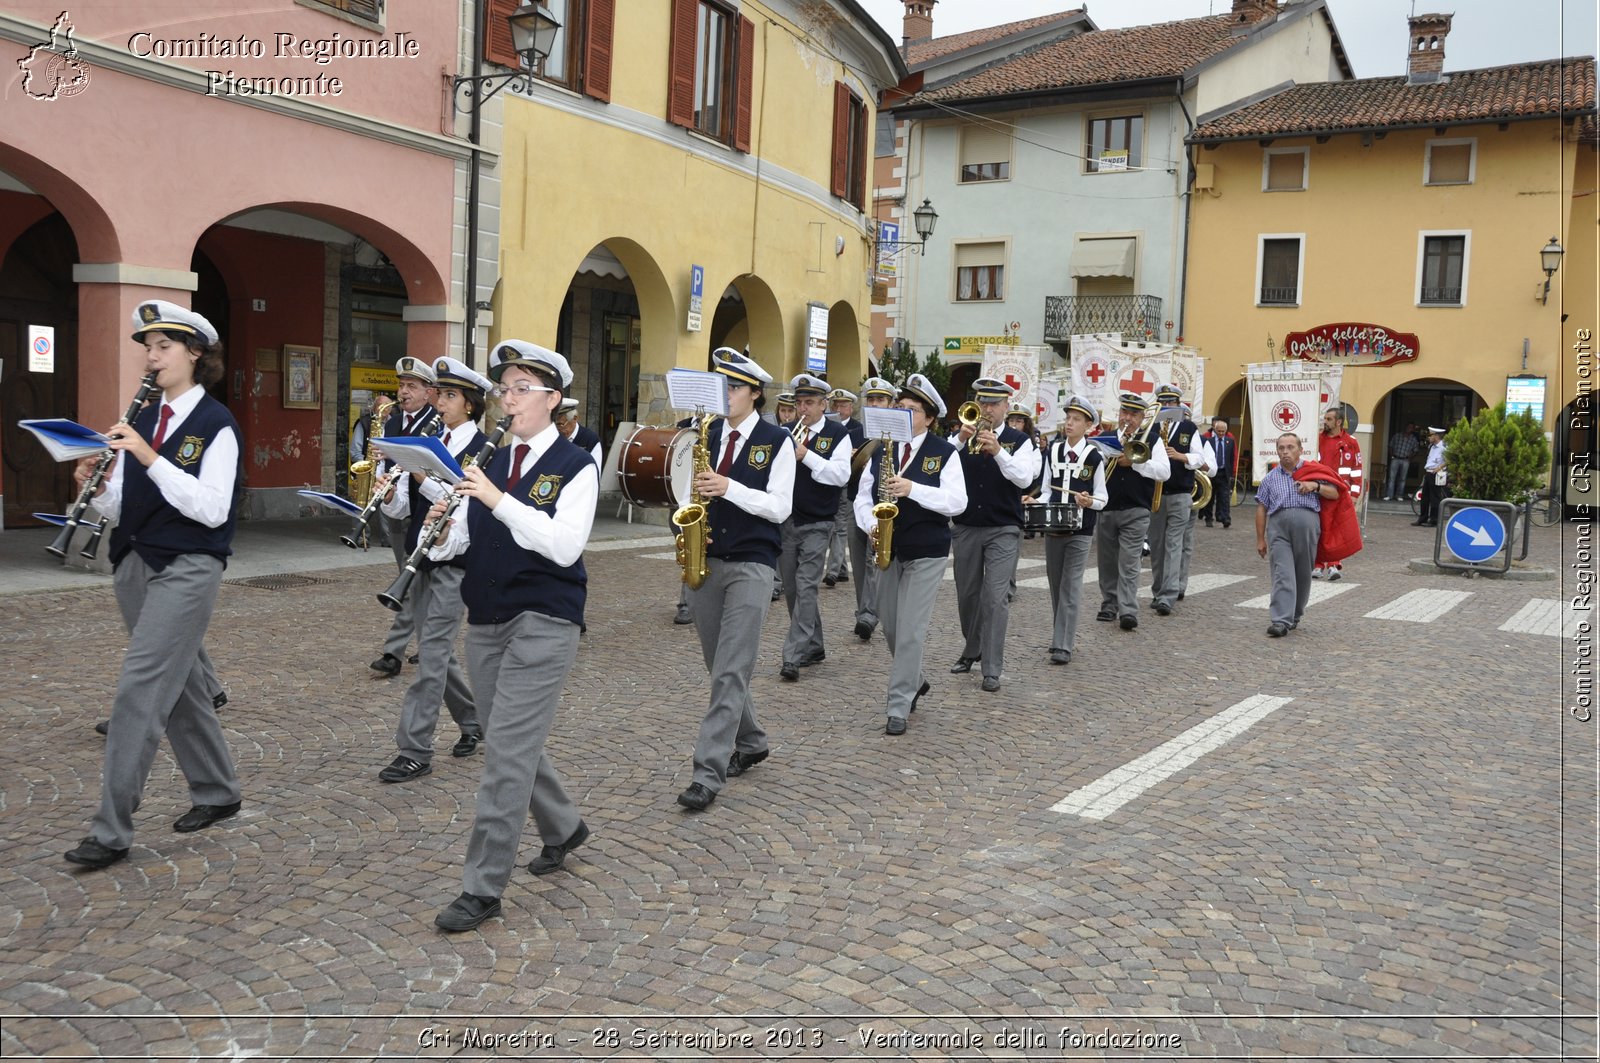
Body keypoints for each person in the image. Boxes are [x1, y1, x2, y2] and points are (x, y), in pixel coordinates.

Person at [64, 301, 243, 870]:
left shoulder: (217, 425)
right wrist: (95, 487)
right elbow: (130, 505)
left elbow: (212, 510)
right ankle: (218, 790)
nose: (151, 356)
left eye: (163, 346)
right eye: (148, 346)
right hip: (135, 563)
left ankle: (110, 829)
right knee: (183, 679)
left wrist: (149, 457)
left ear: (195, 354)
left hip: (189, 566)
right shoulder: (144, 418)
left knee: (140, 688)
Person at [430, 340, 597, 933]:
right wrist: (442, 530)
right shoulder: (492, 463)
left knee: (502, 752)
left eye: (522, 387)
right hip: (487, 619)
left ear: (553, 399)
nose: (509, 397)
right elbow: (468, 544)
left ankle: (482, 887)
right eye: (505, 387)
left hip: (545, 620)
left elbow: (562, 545)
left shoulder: (576, 466)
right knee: (511, 739)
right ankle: (563, 826)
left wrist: (498, 501)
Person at [677, 349, 795, 812]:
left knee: (730, 668)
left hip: (753, 562)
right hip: (706, 558)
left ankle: (708, 770)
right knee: (719, 664)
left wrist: (730, 487)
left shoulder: (776, 440)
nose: (725, 396)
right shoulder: (702, 433)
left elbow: (780, 506)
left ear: (755, 393)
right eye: (721, 387)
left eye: (734, 388)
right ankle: (751, 740)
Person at [374, 357, 490, 783]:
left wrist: (420, 475)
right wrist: (387, 491)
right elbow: (404, 507)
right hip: (419, 557)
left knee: (432, 658)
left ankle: (414, 749)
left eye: (450, 395)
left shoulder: (482, 450)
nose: (440, 402)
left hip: (455, 565)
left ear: (470, 405)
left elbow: (463, 501)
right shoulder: (428, 439)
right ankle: (474, 721)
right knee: (437, 652)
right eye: (440, 394)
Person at [855, 374, 966, 734]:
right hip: (889, 546)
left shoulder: (944, 453)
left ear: (929, 418)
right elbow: (862, 497)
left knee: (910, 632)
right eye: (900, 407)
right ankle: (916, 679)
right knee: (890, 625)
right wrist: (870, 525)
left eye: (911, 410)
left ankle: (898, 704)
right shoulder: (881, 449)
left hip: (927, 550)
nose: (903, 413)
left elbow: (957, 503)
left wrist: (912, 488)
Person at [947, 378, 1039, 693]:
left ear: (1006, 407)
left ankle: (992, 668)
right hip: (967, 524)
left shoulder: (1019, 441)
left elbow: (1025, 478)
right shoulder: (961, 436)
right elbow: (936, 462)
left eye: (993, 404)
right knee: (967, 595)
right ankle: (972, 648)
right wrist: (960, 437)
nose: (986, 409)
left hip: (1003, 527)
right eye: (982, 402)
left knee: (995, 597)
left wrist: (998, 451)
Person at [778, 374, 852, 681]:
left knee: (807, 585)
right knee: (794, 590)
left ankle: (793, 655)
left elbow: (840, 476)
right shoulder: (785, 432)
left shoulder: (837, 434)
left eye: (809, 403)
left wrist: (806, 455)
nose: (803, 409)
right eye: (799, 403)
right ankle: (815, 645)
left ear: (824, 405)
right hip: (787, 520)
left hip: (818, 522)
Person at [371, 358, 440, 678]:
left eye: (412, 386)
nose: (403, 392)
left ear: (429, 392)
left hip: (427, 515)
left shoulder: (437, 424)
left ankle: (393, 652)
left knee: (408, 584)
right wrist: (383, 491)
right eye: (401, 385)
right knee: (411, 582)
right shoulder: (393, 423)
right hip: (398, 510)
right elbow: (388, 470)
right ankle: (431, 644)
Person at [1035, 395, 1107, 665]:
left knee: (1071, 586)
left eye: (1076, 419)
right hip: (1054, 527)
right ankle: (1059, 636)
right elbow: (1045, 491)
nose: (1069, 423)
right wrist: (1035, 501)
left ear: (1088, 425)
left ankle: (1063, 644)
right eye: (1068, 418)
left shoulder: (1094, 457)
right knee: (1056, 585)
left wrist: (1090, 501)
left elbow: (1103, 497)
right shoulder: (1052, 451)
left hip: (1081, 530)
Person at [1095, 393, 1172, 631]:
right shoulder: (1105, 437)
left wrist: (1137, 463)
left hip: (1136, 510)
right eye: (1124, 413)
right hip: (1106, 507)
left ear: (1142, 418)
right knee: (1107, 561)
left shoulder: (1152, 440)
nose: (1128, 418)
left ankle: (1128, 609)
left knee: (1129, 562)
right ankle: (1109, 604)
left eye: (1134, 414)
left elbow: (1164, 472)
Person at [1256, 432, 1339, 637]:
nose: (1286, 452)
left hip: (1307, 526)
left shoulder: (1313, 471)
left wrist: (1315, 486)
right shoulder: (1270, 478)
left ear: (1300, 450)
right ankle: (1280, 620)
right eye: (1281, 448)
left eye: (1291, 447)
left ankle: (1295, 614)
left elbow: (1335, 493)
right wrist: (1260, 539)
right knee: (1282, 572)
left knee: (1302, 573)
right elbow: (1261, 508)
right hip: (1278, 527)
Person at [1145, 386, 1213, 617]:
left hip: (1180, 493)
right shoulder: (1152, 428)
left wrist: (1180, 456)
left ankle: (1168, 595)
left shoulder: (1188, 427)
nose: (1166, 408)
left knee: (1174, 543)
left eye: (1170, 403)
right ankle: (1158, 590)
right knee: (1157, 544)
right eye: (1162, 403)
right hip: (1156, 494)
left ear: (1177, 405)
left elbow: (1200, 457)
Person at [847, 376, 896, 640]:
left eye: (881, 400)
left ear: (891, 404)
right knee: (858, 562)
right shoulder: (855, 433)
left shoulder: (897, 433)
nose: (875, 404)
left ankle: (869, 613)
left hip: (884, 506)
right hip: (855, 500)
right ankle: (863, 610)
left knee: (873, 559)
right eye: (872, 399)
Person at [1313, 407, 1363, 581]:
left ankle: (1334, 564)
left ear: (1338, 422)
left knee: (1336, 529)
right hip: (1319, 491)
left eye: (1328, 419)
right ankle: (1318, 565)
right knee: (1319, 528)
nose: (1325, 422)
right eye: (1325, 419)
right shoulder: (1317, 440)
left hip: (1341, 493)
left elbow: (1357, 469)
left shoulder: (1351, 442)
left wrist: (1355, 494)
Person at [823, 388, 862, 587]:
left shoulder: (858, 428)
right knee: (835, 525)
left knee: (839, 527)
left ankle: (833, 570)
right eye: (836, 405)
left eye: (843, 405)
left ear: (851, 408)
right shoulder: (827, 426)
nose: (839, 408)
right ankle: (843, 570)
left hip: (848, 481)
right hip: (828, 480)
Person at [1200, 417, 1235, 529]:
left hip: (1224, 473)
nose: (1220, 433)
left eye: (1223, 431)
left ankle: (1225, 518)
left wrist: (1231, 472)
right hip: (1211, 473)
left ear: (1226, 431)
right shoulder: (1208, 442)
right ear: (1215, 430)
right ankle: (1208, 518)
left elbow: (1231, 458)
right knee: (1210, 497)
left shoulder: (1230, 442)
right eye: (1219, 431)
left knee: (1224, 497)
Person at [555, 397, 603, 468]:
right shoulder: (551, 437)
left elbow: (594, 471)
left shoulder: (590, 440)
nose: (557, 429)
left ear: (575, 418)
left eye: (560, 424)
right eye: (553, 424)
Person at [1415, 425, 1448, 527]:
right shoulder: (1431, 447)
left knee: (1435, 498)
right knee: (1424, 497)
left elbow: (1449, 459)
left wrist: (1439, 467)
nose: (1429, 437)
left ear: (1437, 436)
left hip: (1436, 474)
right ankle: (1422, 518)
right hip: (1428, 473)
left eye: (1430, 435)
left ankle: (1434, 520)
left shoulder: (1443, 447)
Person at [1385, 421, 1421, 500]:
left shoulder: (1413, 439)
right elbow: (1390, 445)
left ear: (1413, 429)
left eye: (1411, 428)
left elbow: (1416, 450)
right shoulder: (1397, 436)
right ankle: (1389, 495)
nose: (1409, 429)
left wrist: (1410, 458)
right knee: (1392, 478)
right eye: (1408, 427)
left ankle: (1399, 495)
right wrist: (1392, 455)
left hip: (1405, 460)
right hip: (1396, 458)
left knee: (1402, 479)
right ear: (1406, 427)